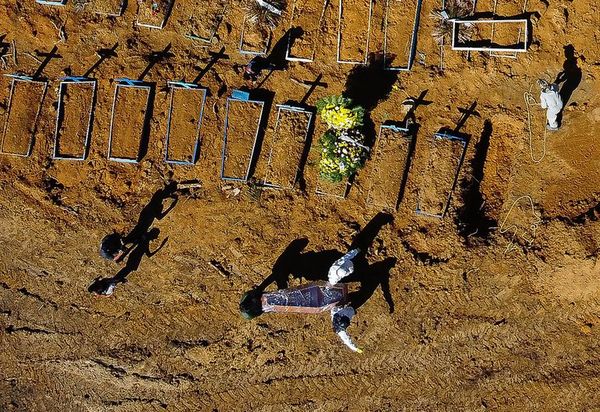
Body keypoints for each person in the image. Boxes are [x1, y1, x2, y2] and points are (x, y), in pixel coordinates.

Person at [240, 249, 363, 353]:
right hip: (319, 298)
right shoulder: (271, 301)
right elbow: (281, 289)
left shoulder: (268, 303)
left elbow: (280, 286)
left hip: (319, 298)